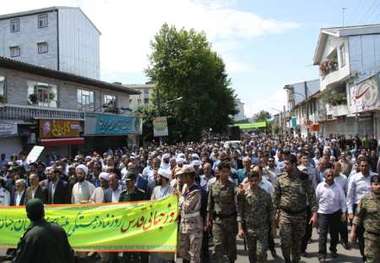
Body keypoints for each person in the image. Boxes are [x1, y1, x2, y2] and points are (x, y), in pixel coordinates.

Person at [272, 155, 318, 263]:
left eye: (287, 164)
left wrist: (314, 214)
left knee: (297, 243)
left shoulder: (304, 178)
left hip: (300, 215)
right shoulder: (280, 178)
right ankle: (287, 260)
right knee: (285, 242)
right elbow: (275, 199)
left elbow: (311, 196)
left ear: (293, 164)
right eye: (284, 164)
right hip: (285, 215)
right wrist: (274, 216)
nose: (284, 166)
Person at [12, 198, 75, 263]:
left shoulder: (30, 236)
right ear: (43, 212)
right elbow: (70, 255)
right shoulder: (59, 229)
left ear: (28, 215)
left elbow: (21, 259)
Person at [238, 170, 273, 263]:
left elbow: (271, 211)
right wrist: (240, 228)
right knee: (252, 254)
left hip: (262, 228)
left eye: (256, 180)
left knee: (261, 252)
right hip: (249, 229)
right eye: (251, 181)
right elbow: (240, 212)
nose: (254, 183)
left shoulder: (265, 194)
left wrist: (273, 227)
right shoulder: (244, 195)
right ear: (248, 181)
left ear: (259, 181)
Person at [207, 161, 238, 263]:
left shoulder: (232, 186)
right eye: (223, 171)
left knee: (231, 247)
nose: (225, 174)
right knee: (218, 246)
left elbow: (237, 196)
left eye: (227, 172)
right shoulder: (213, 186)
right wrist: (208, 219)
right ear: (219, 172)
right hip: (217, 221)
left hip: (230, 221)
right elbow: (210, 204)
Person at [347, 159, 377, 261]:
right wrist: (350, 211)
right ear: (359, 167)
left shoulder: (375, 176)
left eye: (366, 165)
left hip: (373, 207)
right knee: (360, 234)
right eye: (362, 166)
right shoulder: (354, 178)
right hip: (358, 208)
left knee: (371, 232)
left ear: (369, 166)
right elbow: (350, 196)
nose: (364, 168)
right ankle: (364, 255)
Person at [315, 169, 347, 262]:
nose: (330, 177)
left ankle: (333, 250)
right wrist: (315, 214)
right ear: (324, 176)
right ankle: (322, 254)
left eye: (332, 175)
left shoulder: (338, 187)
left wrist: (344, 212)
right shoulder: (319, 186)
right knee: (322, 235)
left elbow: (342, 200)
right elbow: (316, 200)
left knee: (334, 235)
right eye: (328, 175)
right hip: (323, 214)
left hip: (335, 214)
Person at [119, 171, 148, 263]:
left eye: (128, 181)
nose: (126, 183)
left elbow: (145, 210)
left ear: (134, 181)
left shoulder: (141, 194)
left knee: (137, 254)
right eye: (125, 181)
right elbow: (119, 210)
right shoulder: (123, 194)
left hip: (138, 227)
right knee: (127, 253)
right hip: (126, 228)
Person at [350, 175, 380, 263]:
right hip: (371, 237)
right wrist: (353, 231)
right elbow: (358, 216)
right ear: (371, 185)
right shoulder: (365, 199)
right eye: (376, 184)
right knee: (371, 260)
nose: (379, 186)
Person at [178, 165, 203, 263]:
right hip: (184, 225)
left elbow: (186, 207)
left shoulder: (196, 191)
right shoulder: (185, 187)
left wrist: (179, 196)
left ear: (189, 176)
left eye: (183, 176)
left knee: (194, 254)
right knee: (183, 252)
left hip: (194, 227)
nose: (181, 178)